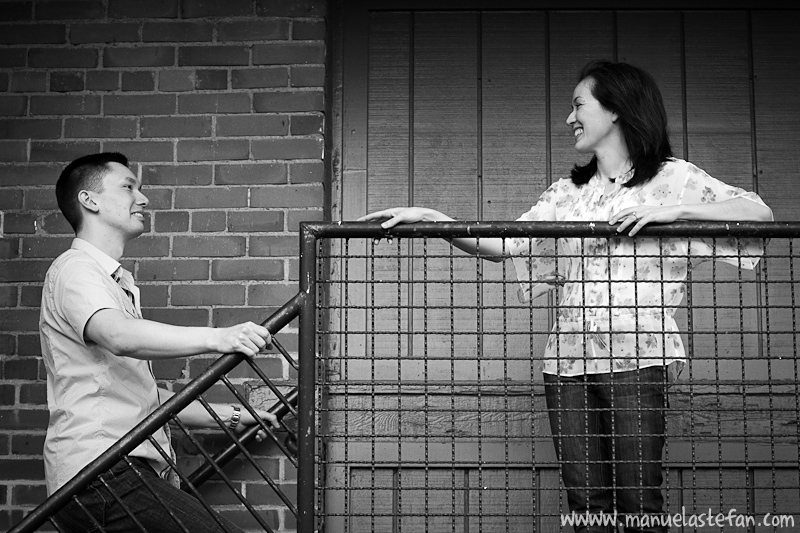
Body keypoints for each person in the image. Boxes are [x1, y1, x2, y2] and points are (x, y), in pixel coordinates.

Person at [358, 60, 773, 532]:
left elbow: (757, 212)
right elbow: (503, 244)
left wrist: (675, 211)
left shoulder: (671, 179)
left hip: (638, 361)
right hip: (567, 365)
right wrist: (430, 218)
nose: (569, 118)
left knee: (639, 502)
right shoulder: (566, 193)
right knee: (586, 507)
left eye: (579, 105)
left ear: (616, 109)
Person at [40, 152, 280, 533]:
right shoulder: (75, 270)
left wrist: (234, 417)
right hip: (101, 472)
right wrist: (219, 338)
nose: (143, 198)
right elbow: (118, 336)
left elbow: (142, 398)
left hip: (116, 471)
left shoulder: (114, 283)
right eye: (128, 187)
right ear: (90, 200)